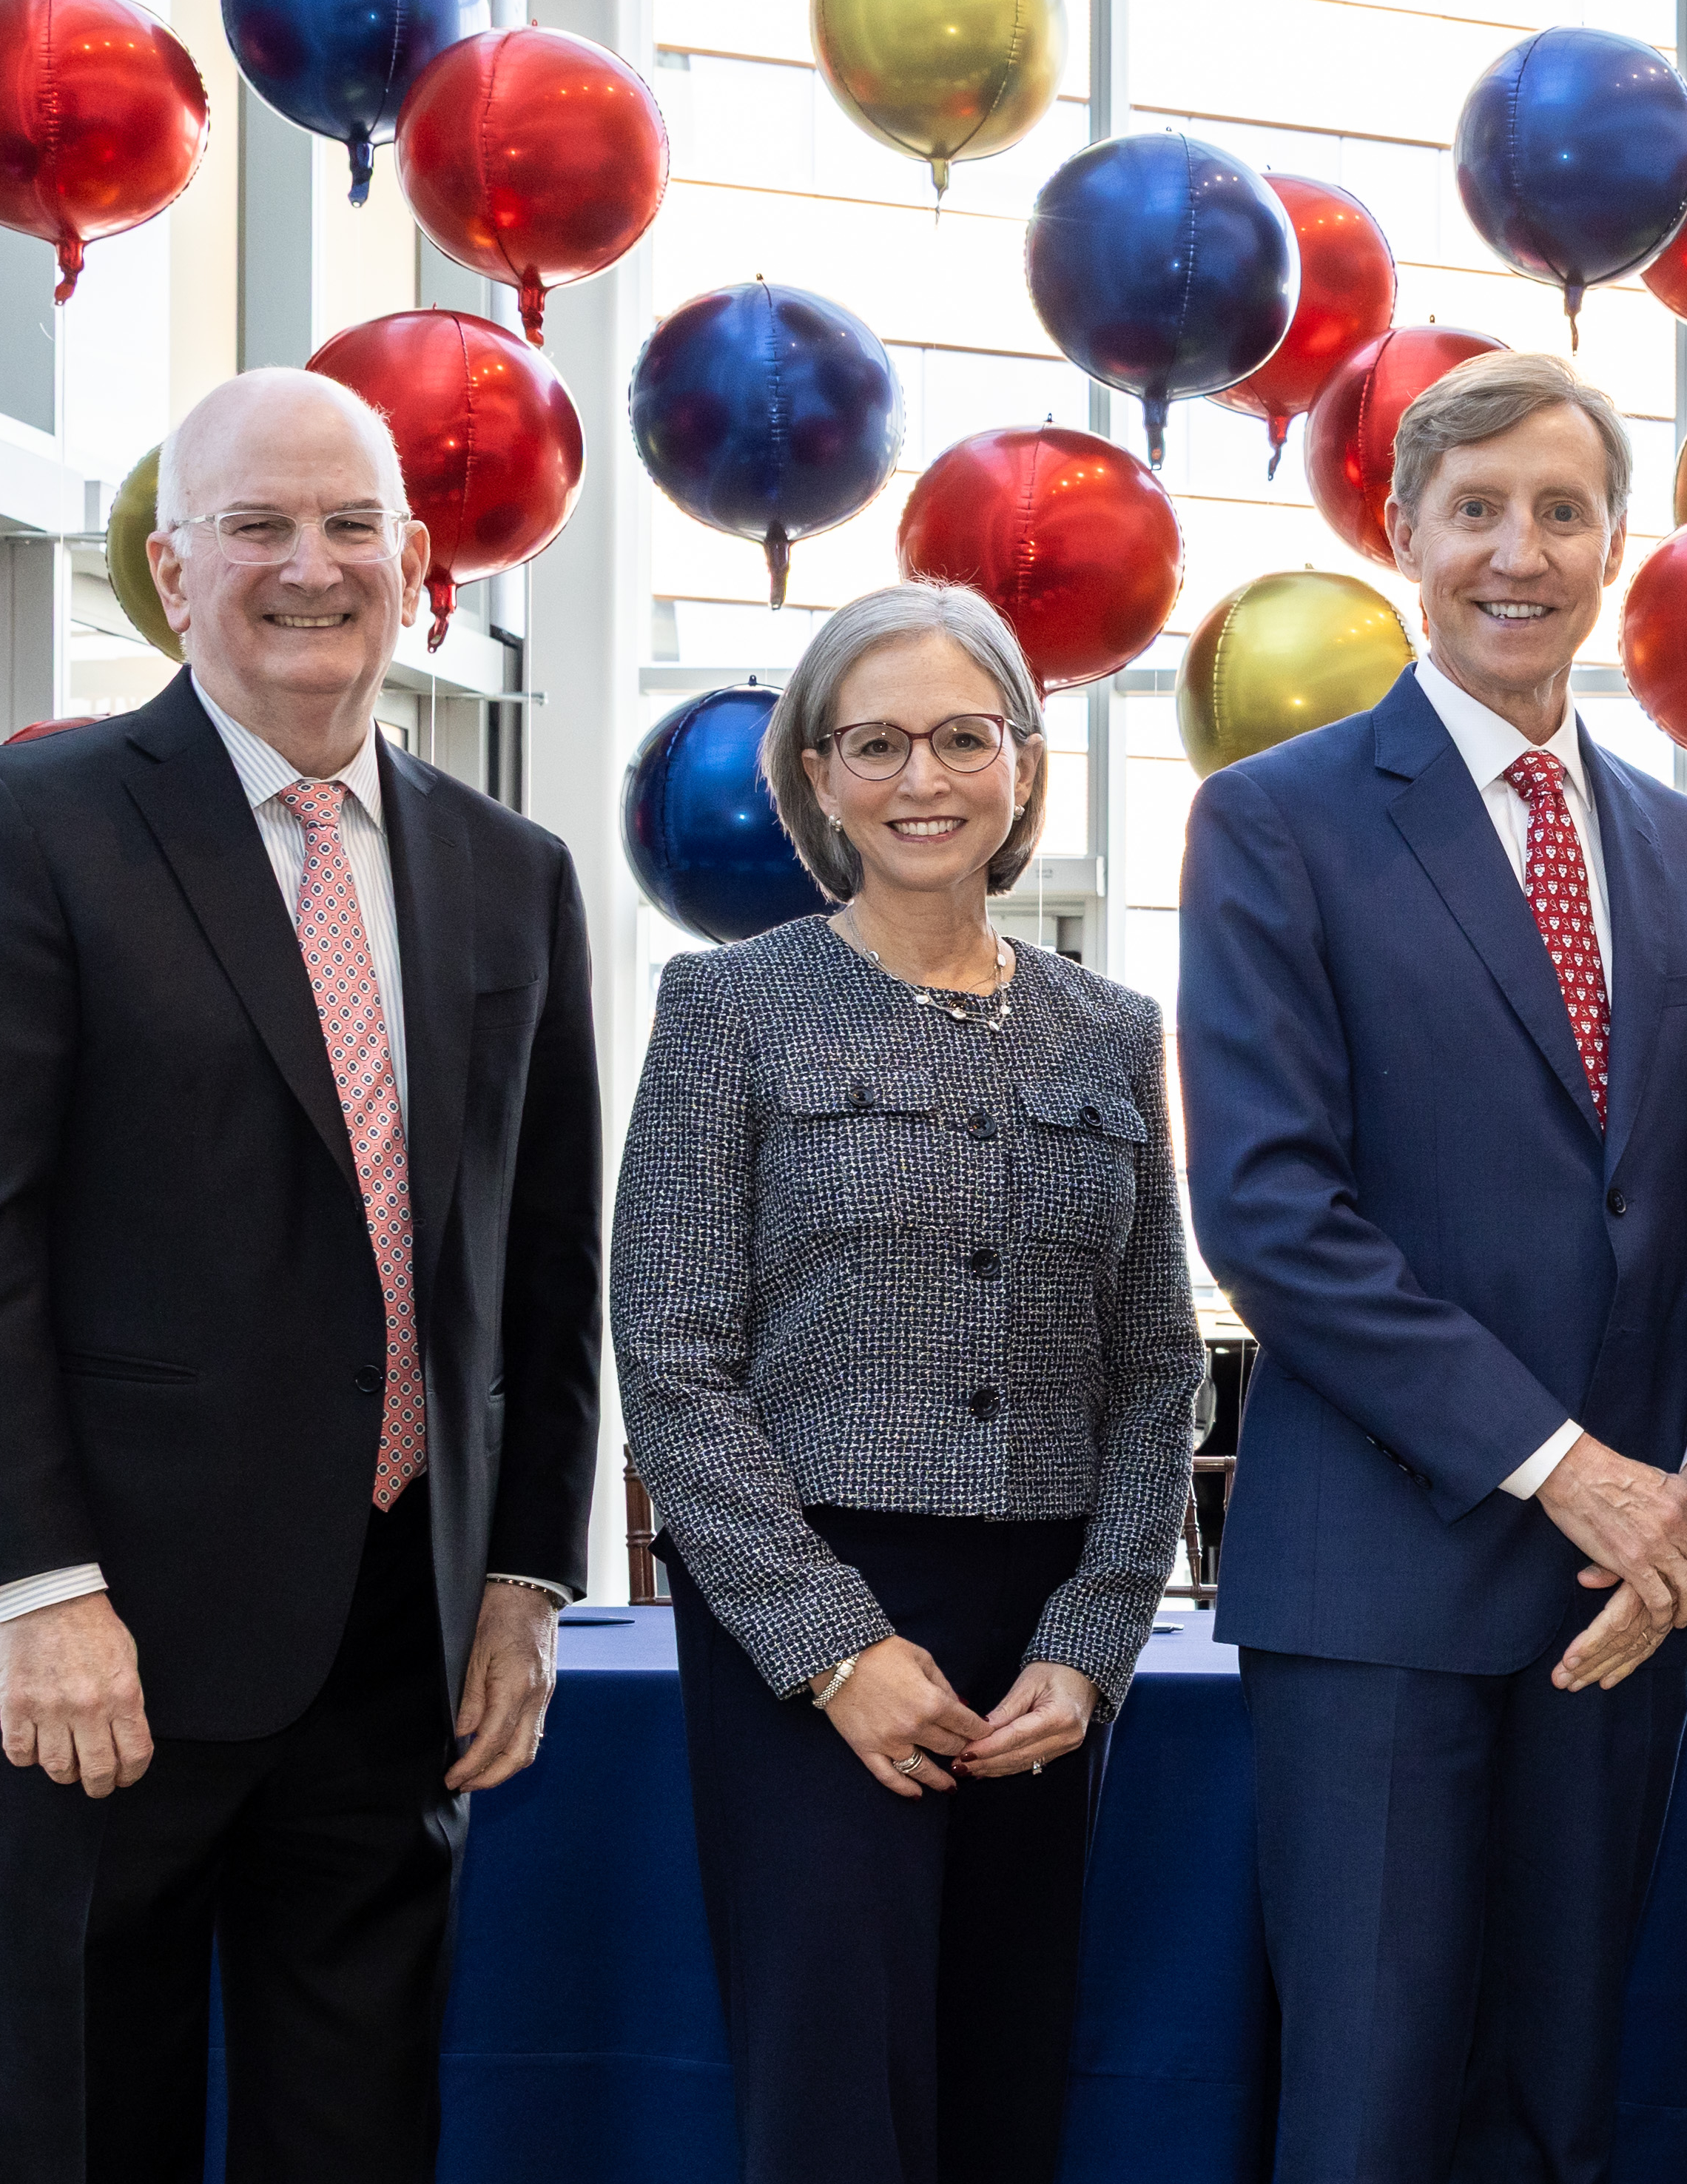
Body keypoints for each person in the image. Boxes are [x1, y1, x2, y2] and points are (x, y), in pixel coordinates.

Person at [0, 366, 602, 2184]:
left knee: (357, 2140)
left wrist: (519, 1575)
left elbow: (536, 1255)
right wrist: (33, 1587)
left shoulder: (512, 873)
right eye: (255, 525)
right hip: (95, 1647)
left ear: (419, 564)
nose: (309, 564)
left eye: (351, 524)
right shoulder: (20, 828)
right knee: (81, 2139)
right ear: (173, 572)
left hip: (393, 1648)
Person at [1179, 350, 1687, 2184]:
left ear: (1615, 546)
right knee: (1369, 2112)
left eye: (1563, 511)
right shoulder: (1275, 821)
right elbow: (1275, 1214)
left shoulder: (1681, 851)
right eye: (1479, 510)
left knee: (1558, 2110)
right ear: (1400, 532)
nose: (1522, 551)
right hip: (1380, 1595)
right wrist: (1569, 1470)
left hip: (1629, 1602)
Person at [617, 580, 1205, 2183]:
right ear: (815, 774)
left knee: (1009, 2077)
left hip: (1042, 1642)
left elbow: (1157, 1370)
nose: (922, 778)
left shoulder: (1108, 1028)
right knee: (835, 2100)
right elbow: (669, 1359)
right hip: (805, 1621)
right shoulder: (725, 1007)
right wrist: (834, 1649)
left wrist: (1090, 1652)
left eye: (962, 737)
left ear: (1023, 761)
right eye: (875, 743)